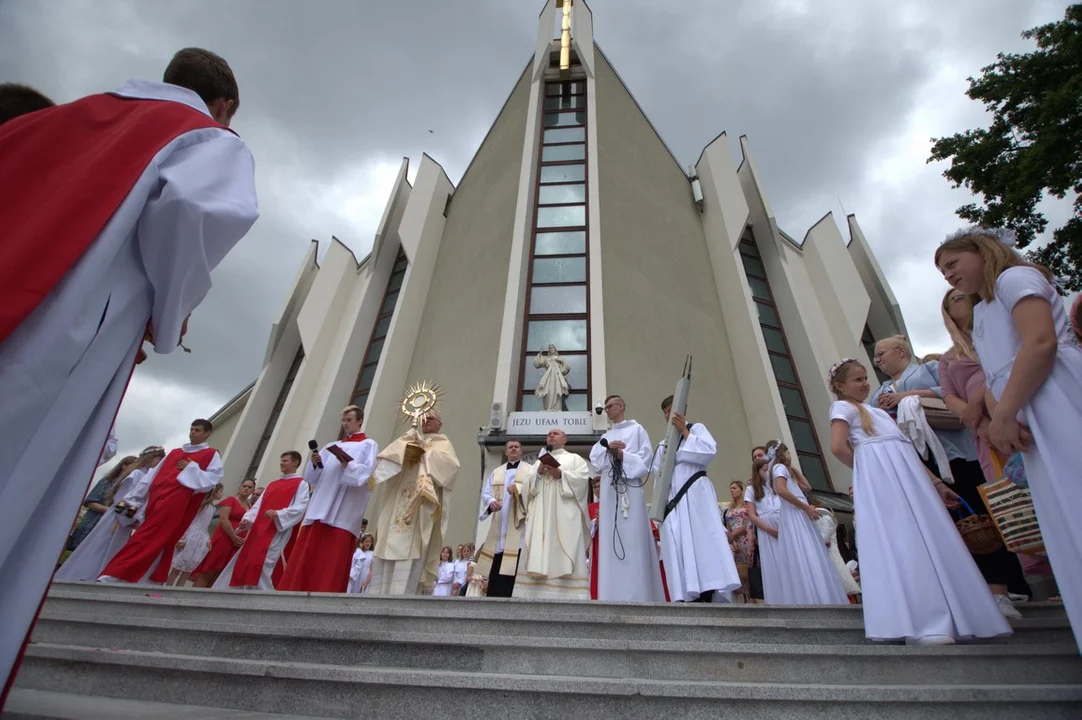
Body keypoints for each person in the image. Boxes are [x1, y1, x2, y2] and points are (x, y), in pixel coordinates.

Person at [0, 48, 258, 691]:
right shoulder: (209, 138)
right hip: (70, 330)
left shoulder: (59, 116)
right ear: (222, 105)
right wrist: (169, 317)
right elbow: (193, 215)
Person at [936, 226, 1082, 652]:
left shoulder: (1015, 280)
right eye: (943, 272)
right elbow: (997, 372)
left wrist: (1002, 413)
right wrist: (995, 419)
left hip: (1053, 394)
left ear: (982, 251)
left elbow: (1040, 343)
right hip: (1024, 407)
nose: (949, 276)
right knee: (1060, 515)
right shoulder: (983, 310)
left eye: (953, 264)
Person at [828, 357, 1012, 644]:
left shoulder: (876, 412)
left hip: (908, 476)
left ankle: (957, 614)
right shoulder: (843, 407)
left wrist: (937, 484)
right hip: (883, 478)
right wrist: (867, 471)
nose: (865, 384)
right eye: (857, 380)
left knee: (928, 535)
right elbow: (837, 446)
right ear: (840, 386)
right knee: (903, 538)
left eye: (866, 378)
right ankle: (922, 620)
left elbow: (907, 452)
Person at [871, 334, 1028, 617]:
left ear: (901, 351)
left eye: (881, 353)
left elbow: (951, 392)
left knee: (980, 519)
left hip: (957, 454)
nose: (877, 360)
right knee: (950, 527)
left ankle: (1004, 587)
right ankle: (971, 588)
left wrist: (905, 397)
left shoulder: (928, 369)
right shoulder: (880, 390)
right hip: (921, 464)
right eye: (876, 357)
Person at [98, 420, 223, 584]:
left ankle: (117, 573)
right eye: (191, 429)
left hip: (177, 502)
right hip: (156, 499)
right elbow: (151, 476)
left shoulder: (211, 454)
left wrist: (191, 468)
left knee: (150, 536)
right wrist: (134, 497)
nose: (192, 432)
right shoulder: (175, 452)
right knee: (153, 536)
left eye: (197, 430)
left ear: (207, 433)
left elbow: (211, 481)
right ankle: (147, 578)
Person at [281, 406, 377, 593]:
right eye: (343, 420)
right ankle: (296, 587)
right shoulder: (329, 446)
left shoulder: (368, 444)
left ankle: (325, 590)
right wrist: (316, 464)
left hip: (344, 508)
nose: (345, 424)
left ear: (359, 421)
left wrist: (347, 464)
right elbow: (313, 478)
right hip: (321, 503)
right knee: (309, 552)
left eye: (349, 420)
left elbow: (366, 473)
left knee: (331, 556)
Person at [653, 396, 740, 603]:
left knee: (701, 539)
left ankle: (708, 587)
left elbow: (707, 452)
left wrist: (685, 431)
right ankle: (685, 591)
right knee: (680, 542)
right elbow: (659, 474)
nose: (668, 415)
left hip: (695, 494)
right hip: (673, 501)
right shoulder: (663, 444)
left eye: (671, 410)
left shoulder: (697, 429)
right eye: (665, 411)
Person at [369, 413, 460, 595]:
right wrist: (404, 445)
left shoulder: (444, 444)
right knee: (387, 540)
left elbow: (451, 468)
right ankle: (381, 592)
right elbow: (389, 460)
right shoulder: (410, 438)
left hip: (420, 506)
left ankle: (406, 592)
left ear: (439, 424)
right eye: (424, 419)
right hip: (399, 500)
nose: (426, 422)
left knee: (414, 545)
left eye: (431, 419)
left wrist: (424, 450)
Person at [589, 395, 665, 602]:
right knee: (611, 538)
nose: (607, 411)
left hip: (630, 490)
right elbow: (595, 462)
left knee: (633, 537)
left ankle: (638, 592)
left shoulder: (637, 430)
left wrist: (624, 456)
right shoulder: (606, 435)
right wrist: (608, 450)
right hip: (610, 492)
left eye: (610, 406)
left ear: (621, 406)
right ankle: (611, 593)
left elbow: (646, 459)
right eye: (605, 408)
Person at [55, 447, 166, 582]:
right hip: (119, 516)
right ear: (151, 458)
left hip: (124, 518)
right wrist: (131, 516)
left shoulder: (146, 475)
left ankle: (100, 573)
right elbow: (124, 498)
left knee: (111, 547)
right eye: (158, 458)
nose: (159, 462)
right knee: (102, 545)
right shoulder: (137, 474)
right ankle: (87, 573)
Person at [214, 452, 310, 590]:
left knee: (263, 563)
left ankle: (263, 597)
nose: (281, 463)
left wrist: (278, 513)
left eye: (285, 460)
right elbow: (259, 505)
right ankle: (243, 595)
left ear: (295, 463)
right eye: (281, 460)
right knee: (248, 562)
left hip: (276, 530)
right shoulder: (273, 484)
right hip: (259, 530)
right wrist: (247, 519)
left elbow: (301, 507)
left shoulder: (301, 484)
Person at [515, 429, 592, 600]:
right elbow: (527, 488)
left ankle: (567, 589)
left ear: (565, 439)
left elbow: (582, 482)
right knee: (539, 542)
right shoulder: (537, 463)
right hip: (541, 512)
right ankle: (535, 589)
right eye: (549, 434)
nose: (551, 436)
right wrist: (539, 472)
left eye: (555, 434)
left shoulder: (574, 459)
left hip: (563, 512)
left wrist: (561, 475)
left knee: (564, 543)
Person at [768, 442, 848, 605]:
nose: (790, 454)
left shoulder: (785, 471)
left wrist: (795, 470)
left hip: (799, 511)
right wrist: (805, 507)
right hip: (795, 513)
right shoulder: (779, 469)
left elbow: (807, 487)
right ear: (782, 453)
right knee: (805, 550)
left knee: (810, 549)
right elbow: (781, 490)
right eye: (788, 451)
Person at [475, 439, 529, 598]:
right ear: (506, 452)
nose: (513, 449)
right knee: (497, 558)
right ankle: (495, 595)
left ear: (521, 451)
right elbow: (486, 493)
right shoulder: (496, 472)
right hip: (499, 524)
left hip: (519, 525)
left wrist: (519, 489)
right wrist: (491, 502)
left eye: (516, 447)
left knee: (516, 558)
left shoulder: (529, 470)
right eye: (510, 447)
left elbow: (534, 491)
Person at [190, 478, 254, 587]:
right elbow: (224, 519)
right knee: (211, 568)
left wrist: (244, 539)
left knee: (222, 573)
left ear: (252, 490)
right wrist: (234, 537)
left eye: (249, 487)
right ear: (239, 487)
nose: (246, 489)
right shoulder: (231, 500)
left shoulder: (250, 507)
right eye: (244, 486)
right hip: (224, 538)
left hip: (237, 543)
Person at [65, 456, 137, 552]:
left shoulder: (132, 488)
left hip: (110, 531)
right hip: (92, 524)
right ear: (124, 466)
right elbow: (90, 502)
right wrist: (111, 511)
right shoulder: (107, 482)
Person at [169, 484, 223, 586]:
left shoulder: (213, 508)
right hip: (190, 537)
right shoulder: (203, 505)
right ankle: (168, 587)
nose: (222, 494)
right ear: (214, 491)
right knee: (178, 567)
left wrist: (207, 539)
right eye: (220, 491)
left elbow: (205, 526)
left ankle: (178, 590)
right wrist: (182, 538)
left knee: (188, 569)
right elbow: (191, 521)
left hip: (200, 540)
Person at [744, 456, 781, 603]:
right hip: (767, 530)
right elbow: (752, 515)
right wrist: (769, 529)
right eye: (765, 470)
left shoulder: (774, 488)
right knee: (772, 563)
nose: (768, 472)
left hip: (781, 525)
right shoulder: (751, 489)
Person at [723, 481, 756, 604]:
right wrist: (731, 538)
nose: (732, 490)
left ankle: (751, 597)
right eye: (731, 488)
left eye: (735, 488)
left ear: (741, 490)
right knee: (737, 570)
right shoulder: (729, 509)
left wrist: (735, 534)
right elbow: (728, 527)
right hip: (734, 542)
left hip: (745, 539)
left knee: (748, 569)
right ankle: (740, 598)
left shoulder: (746, 507)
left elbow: (747, 524)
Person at [587, 476, 600, 600]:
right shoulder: (591, 507)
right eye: (595, 487)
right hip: (597, 543)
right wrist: (595, 522)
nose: (597, 489)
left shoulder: (612, 502)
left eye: (599, 486)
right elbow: (587, 527)